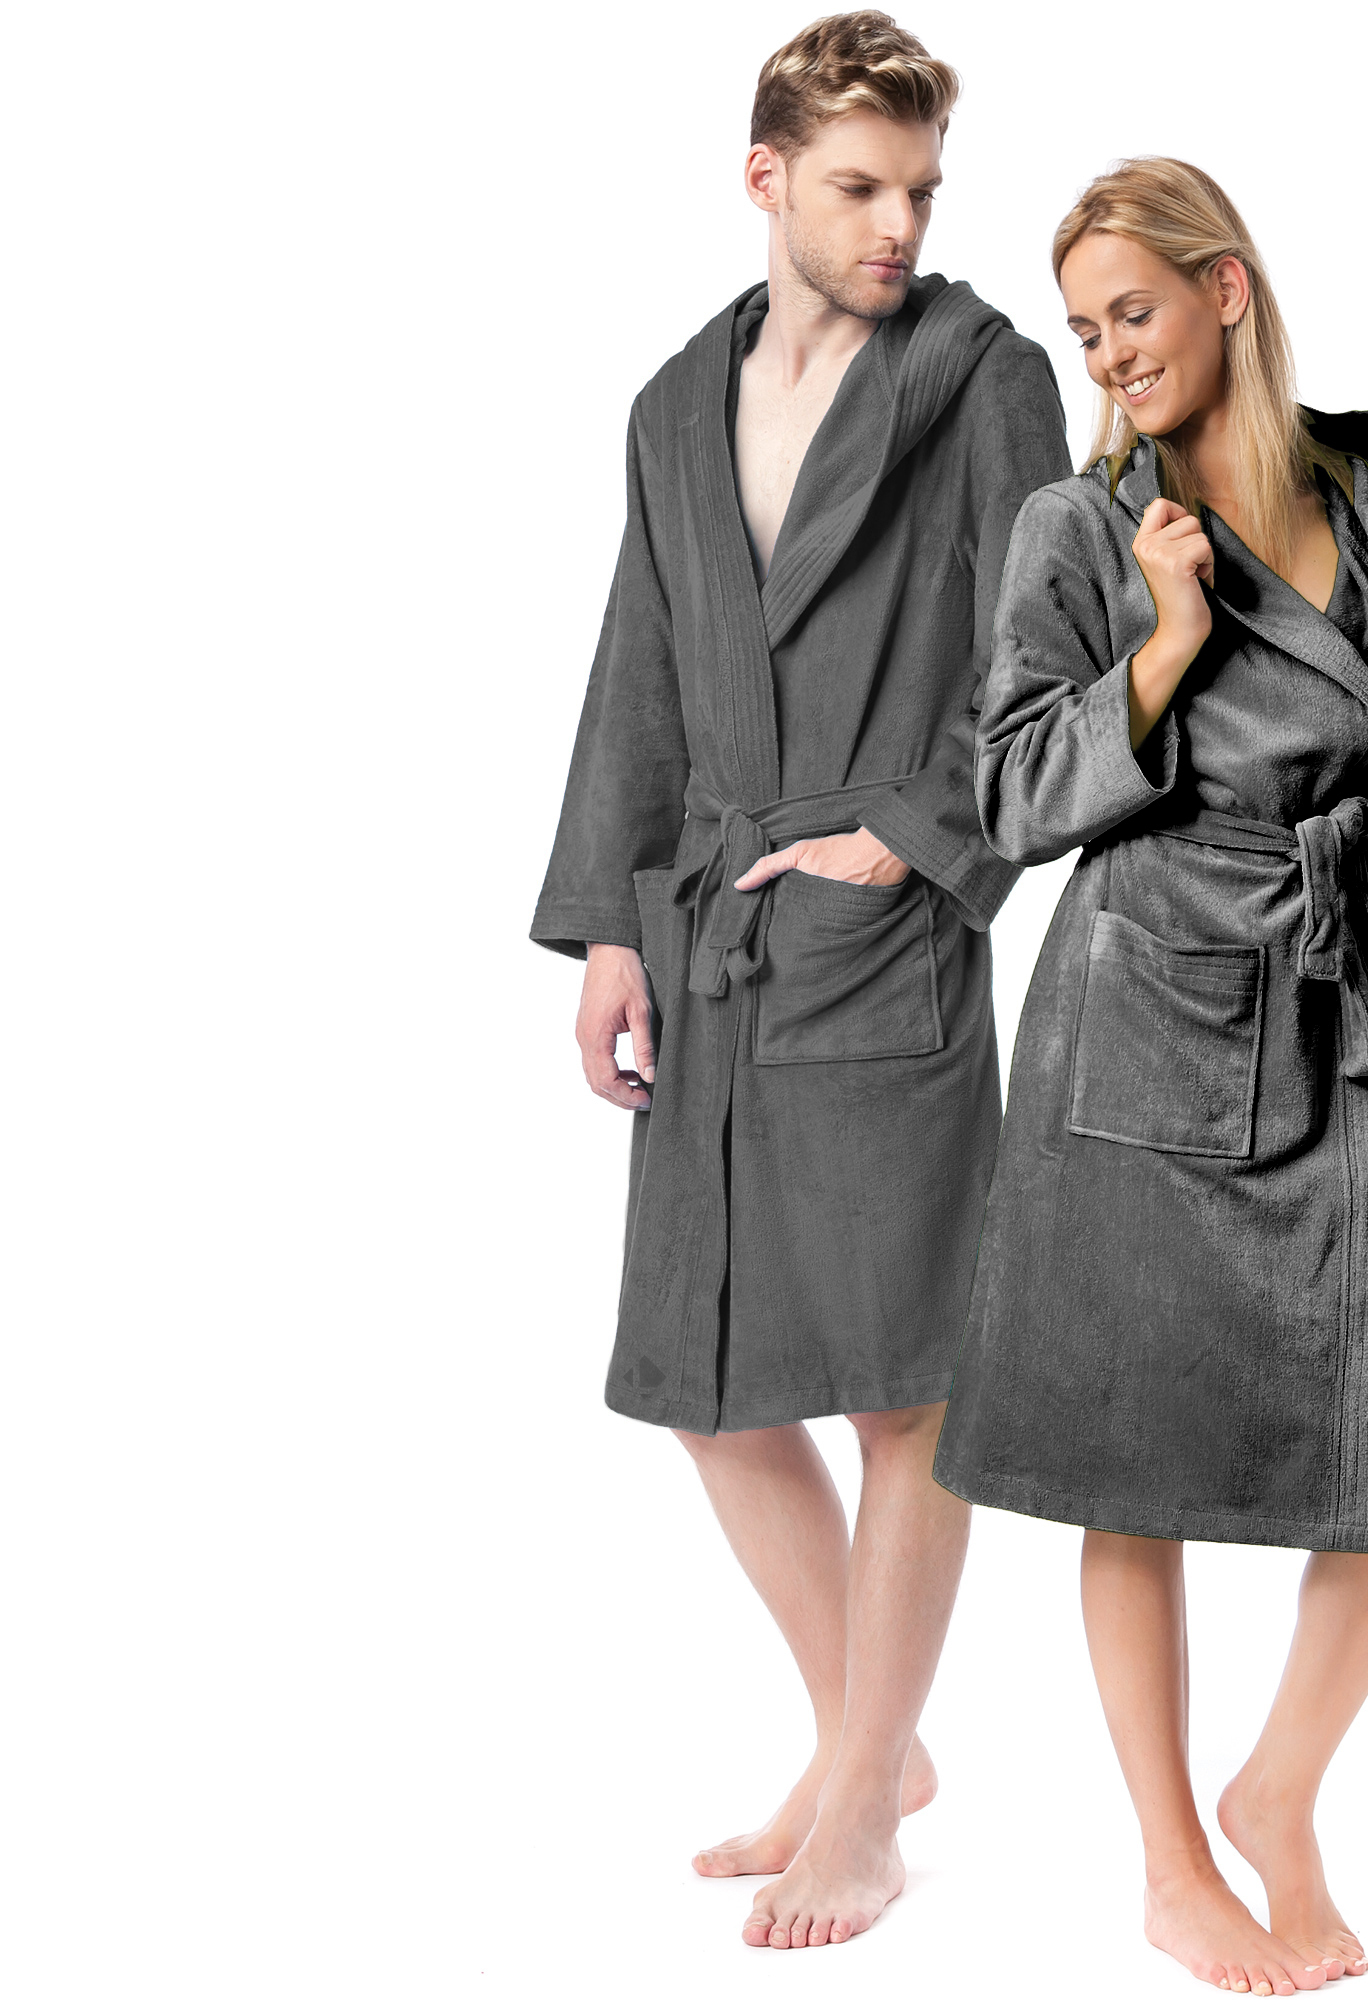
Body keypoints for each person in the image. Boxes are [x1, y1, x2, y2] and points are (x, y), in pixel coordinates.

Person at [529, 12, 1069, 1951]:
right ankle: (874, 1743)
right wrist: (612, 924)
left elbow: (1055, 652)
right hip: (711, 933)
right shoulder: (676, 404)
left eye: (920, 187)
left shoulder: (983, 381)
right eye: (858, 186)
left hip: (879, 929)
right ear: (763, 178)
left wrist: (911, 840)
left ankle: (860, 1799)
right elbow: (642, 659)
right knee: (708, 1380)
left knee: (902, 1389)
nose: (898, 224)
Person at [933, 158, 1368, 1996]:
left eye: (1136, 312)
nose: (1111, 355)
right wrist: (1168, 645)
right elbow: (1012, 793)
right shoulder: (1082, 526)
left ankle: (1278, 1791)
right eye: (1086, 330)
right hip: (1149, 1016)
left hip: (1346, 1014)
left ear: (1227, 292)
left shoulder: (1364, 497)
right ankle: (1173, 1868)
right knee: (1135, 1465)